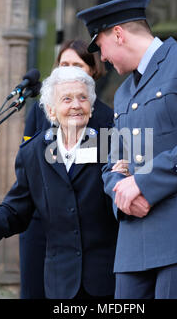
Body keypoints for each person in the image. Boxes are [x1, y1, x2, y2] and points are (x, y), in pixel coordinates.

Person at [77, 0, 177, 299]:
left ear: (118, 34)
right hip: (136, 241)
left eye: (100, 45)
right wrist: (121, 196)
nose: (101, 56)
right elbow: (112, 163)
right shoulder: (125, 91)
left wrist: (142, 183)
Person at [0, 66, 118, 299]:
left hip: (107, 279)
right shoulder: (33, 152)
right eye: (67, 99)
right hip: (60, 282)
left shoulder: (112, 144)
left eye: (83, 98)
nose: (76, 105)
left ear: (91, 107)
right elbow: (16, 207)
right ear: (51, 111)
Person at [19, 39, 114, 299]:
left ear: (93, 70)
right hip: (44, 226)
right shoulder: (39, 117)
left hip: (91, 245)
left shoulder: (107, 122)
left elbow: (101, 180)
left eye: (78, 65)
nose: (69, 70)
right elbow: (26, 177)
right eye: (64, 64)